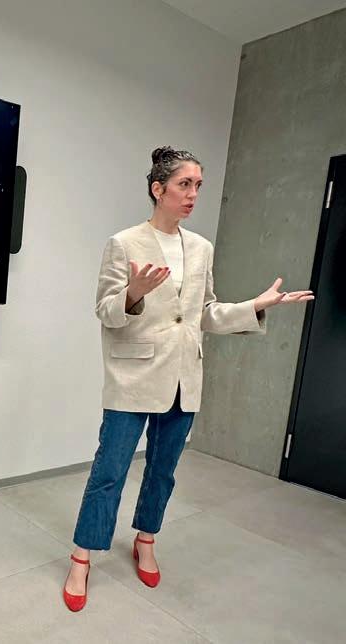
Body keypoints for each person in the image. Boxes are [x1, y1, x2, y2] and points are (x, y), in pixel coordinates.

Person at [62, 146, 314, 612]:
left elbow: (204, 313)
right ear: (158, 189)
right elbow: (106, 311)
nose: (193, 194)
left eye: (198, 185)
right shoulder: (124, 243)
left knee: (163, 470)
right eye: (184, 184)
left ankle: (146, 540)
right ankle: (83, 555)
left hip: (184, 378)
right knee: (109, 471)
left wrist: (255, 306)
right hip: (134, 375)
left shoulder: (201, 248)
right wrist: (133, 293)